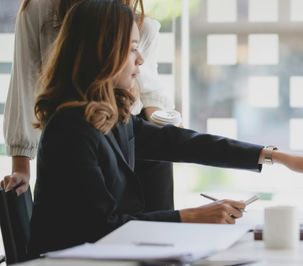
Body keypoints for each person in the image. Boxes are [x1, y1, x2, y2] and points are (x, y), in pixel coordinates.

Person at [27, 0, 303, 255]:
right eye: (132, 48)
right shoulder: (70, 128)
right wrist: (192, 216)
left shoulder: (113, 117)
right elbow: (99, 227)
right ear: (102, 52)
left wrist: (277, 156)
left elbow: (185, 143)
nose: (140, 60)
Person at [1, 0, 176, 212]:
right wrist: (21, 166)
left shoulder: (139, 21)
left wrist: (164, 128)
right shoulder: (39, 10)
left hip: (132, 139)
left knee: (160, 235)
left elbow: (149, 90)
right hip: (74, 145)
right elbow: (25, 83)